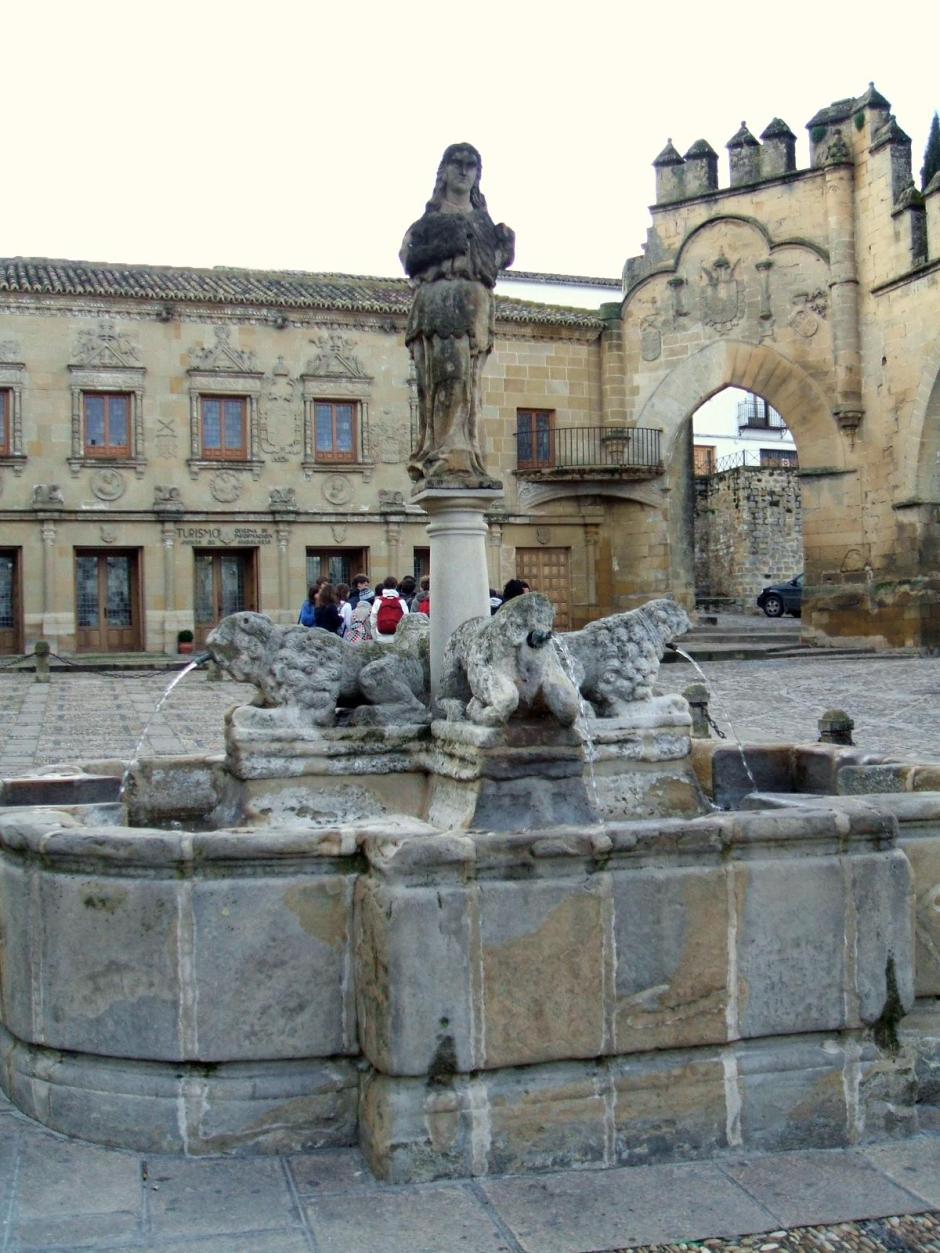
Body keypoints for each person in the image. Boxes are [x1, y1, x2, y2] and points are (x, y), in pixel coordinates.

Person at [400, 143, 514, 484]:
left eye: (471, 165)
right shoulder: (427, 222)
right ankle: (445, 453)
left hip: (475, 306)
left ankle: (465, 453)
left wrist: (505, 250)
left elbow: (489, 266)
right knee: (447, 378)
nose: (464, 170)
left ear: (477, 174)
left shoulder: (483, 221)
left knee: (469, 385)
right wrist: (447, 245)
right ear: (444, 171)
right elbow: (409, 259)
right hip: (440, 303)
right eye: (457, 164)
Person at [370, 575, 409, 642]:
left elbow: (373, 619)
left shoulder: (378, 601)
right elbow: (406, 618)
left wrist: (375, 635)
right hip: (397, 637)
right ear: (396, 586)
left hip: (380, 636)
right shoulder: (401, 601)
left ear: (384, 586)